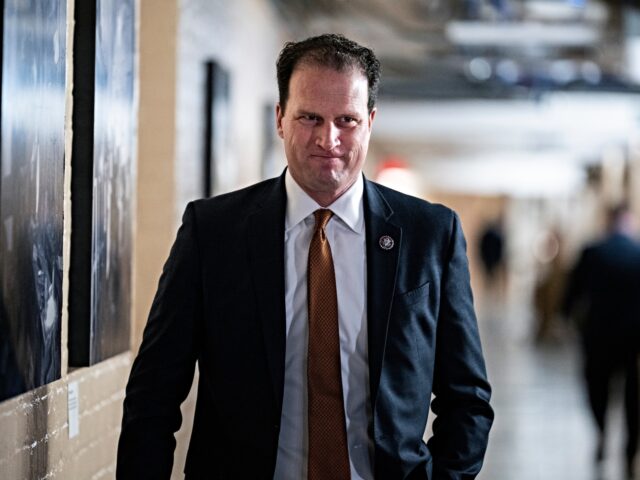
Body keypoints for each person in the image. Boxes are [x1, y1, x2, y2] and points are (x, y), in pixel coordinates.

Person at [117, 33, 493, 480]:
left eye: (347, 120)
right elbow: (153, 395)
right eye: (309, 117)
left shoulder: (431, 234)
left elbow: (467, 398)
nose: (328, 138)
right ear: (280, 118)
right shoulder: (213, 233)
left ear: (370, 121)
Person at [563, 203, 640, 479]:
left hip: (598, 336)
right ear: (628, 221)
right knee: (633, 397)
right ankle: (630, 451)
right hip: (633, 339)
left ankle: (602, 432)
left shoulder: (593, 252)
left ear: (609, 220)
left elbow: (573, 291)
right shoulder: (638, 252)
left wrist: (566, 317)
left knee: (597, 390)